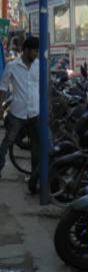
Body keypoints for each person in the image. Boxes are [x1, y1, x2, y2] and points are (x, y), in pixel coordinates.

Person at [0, 37, 41, 193]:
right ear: (26, 50)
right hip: (18, 114)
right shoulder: (12, 66)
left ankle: (34, 177)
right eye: (34, 51)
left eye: (37, 51)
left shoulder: (39, 65)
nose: (36, 54)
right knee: (7, 142)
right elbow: (3, 88)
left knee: (36, 148)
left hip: (35, 113)